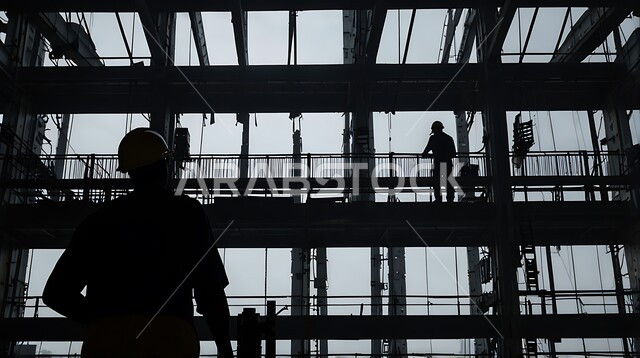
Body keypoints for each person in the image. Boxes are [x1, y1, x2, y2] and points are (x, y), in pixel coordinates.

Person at [43, 128, 233, 358]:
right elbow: (210, 292)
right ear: (165, 167)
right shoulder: (187, 214)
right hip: (171, 340)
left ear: (130, 173)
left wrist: (104, 320)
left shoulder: (98, 221)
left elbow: (55, 293)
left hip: (106, 342)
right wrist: (225, 350)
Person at [421, 121, 457, 202]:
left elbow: (425, 152)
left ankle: (438, 199)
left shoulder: (433, 138)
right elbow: (453, 153)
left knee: (437, 182)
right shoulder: (449, 138)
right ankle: (450, 199)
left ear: (434, 129)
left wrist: (429, 154)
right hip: (447, 163)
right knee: (449, 182)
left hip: (438, 164)